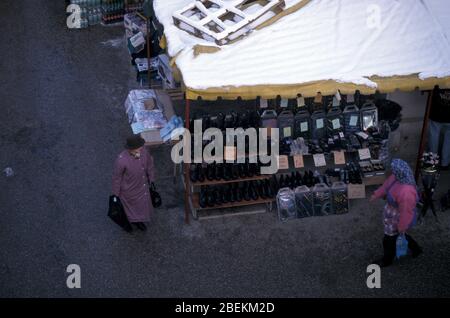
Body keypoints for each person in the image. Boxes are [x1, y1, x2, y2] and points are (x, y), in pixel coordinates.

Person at [370, 159, 423, 267]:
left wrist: (402, 226)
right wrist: (376, 194)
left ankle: (387, 260)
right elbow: (386, 186)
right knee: (399, 235)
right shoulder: (396, 177)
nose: (392, 172)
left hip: (397, 217)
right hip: (391, 213)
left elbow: (406, 212)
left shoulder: (407, 192)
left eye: (393, 170)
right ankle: (416, 249)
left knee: (388, 239)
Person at [112, 135, 155, 232]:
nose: (140, 151)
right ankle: (133, 221)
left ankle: (139, 221)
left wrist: (151, 179)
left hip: (141, 186)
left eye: (141, 148)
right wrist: (115, 194)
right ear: (130, 149)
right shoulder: (121, 160)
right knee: (131, 207)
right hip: (129, 190)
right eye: (137, 149)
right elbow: (117, 178)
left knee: (142, 205)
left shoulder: (144, 152)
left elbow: (150, 165)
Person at [428, 85, 450, 170]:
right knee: (448, 139)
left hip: (436, 113)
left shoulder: (439, 74)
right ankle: (445, 163)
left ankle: (432, 162)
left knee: (433, 138)